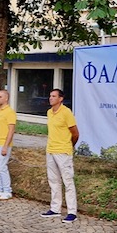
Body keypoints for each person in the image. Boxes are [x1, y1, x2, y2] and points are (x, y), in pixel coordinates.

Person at [41, 89, 80, 223]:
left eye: (54, 96)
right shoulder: (49, 113)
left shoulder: (66, 112)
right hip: (50, 150)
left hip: (63, 151)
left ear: (60, 98)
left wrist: (69, 146)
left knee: (67, 181)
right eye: (50, 96)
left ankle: (72, 212)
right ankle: (55, 208)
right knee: (53, 180)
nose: (50, 98)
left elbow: (75, 133)